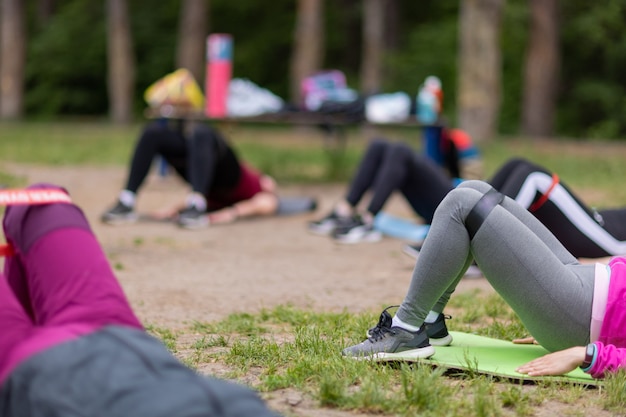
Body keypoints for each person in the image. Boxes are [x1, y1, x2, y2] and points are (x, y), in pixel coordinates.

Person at [0, 184, 280, 416]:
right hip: (120, 334)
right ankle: (27, 319)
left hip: (33, 374)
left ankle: (20, 331)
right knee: (45, 202)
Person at [342, 180, 626, 379]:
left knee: (461, 205)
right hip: (584, 286)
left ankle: (405, 330)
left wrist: (585, 352)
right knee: (475, 190)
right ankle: (429, 319)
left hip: (582, 314)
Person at [404, 157, 626, 260]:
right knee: (517, 165)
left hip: (607, 237)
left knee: (534, 177)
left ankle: (467, 247)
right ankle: (459, 231)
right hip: (597, 218)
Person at [308, 128, 483, 244]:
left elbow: (476, 175)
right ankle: (343, 210)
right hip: (442, 201)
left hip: (457, 202)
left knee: (401, 150)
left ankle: (367, 220)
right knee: (379, 145)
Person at [101, 121, 283, 229]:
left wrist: (231, 213)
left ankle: (195, 206)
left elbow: (269, 204)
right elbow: (269, 196)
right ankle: (127, 200)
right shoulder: (260, 183)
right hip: (219, 170)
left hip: (224, 181)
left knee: (202, 133)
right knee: (154, 133)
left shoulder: (222, 202)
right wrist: (174, 209)